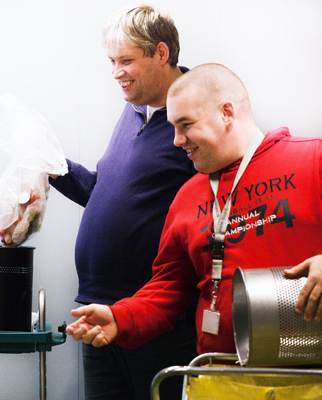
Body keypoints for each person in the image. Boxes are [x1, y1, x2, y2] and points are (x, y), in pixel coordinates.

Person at [66, 63, 322, 362]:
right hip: (221, 371)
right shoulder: (188, 197)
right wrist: (120, 316)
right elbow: (168, 287)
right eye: (173, 127)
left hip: (308, 368)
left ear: (227, 113)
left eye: (185, 124)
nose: (177, 140)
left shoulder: (311, 159)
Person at [48, 4, 197, 400]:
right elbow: (107, 196)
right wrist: (52, 165)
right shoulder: (134, 112)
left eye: (126, 60)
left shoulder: (197, 115)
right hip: (97, 310)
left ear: (161, 53)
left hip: (155, 317)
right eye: (112, 61)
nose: (116, 72)